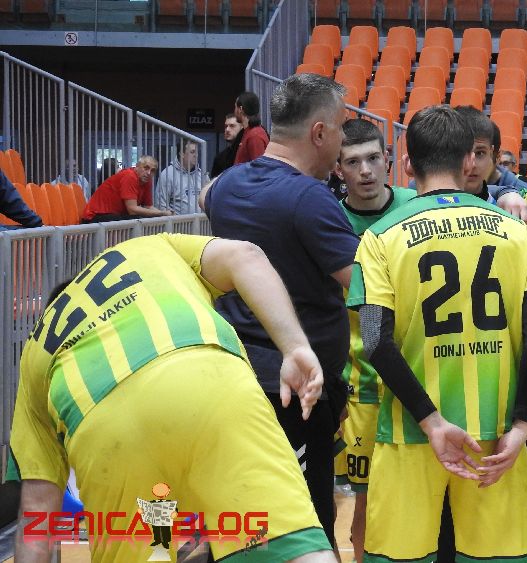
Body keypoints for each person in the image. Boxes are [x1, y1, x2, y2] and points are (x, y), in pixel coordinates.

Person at [8, 233, 335, 563]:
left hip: (104, 430)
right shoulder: (144, 248)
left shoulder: (34, 353)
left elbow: (37, 516)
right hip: (205, 379)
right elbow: (246, 255)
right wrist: (295, 347)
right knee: (296, 550)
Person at [347, 104, 527, 562]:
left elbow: (376, 340)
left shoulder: (379, 237)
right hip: (495, 440)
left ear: (406, 165)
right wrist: (523, 423)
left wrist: (432, 422)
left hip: (411, 432)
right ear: (467, 160)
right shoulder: (516, 232)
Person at [204, 73, 355, 554]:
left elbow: (206, 196)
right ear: (319, 133)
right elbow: (365, 285)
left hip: (234, 379)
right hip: (294, 394)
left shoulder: (225, 186)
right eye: (340, 128)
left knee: (243, 524)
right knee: (305, 529)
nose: (343, 139)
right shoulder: (310, 198)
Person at [335, 118, 418, 560]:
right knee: (363, 503)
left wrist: (509, 193)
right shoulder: (329, 219)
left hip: (416, 381)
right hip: (359, 387)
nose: (365, 170)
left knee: (413, 499)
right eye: (353, 162)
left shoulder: (414, 205)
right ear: (338, 169)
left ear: (388, 160)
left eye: (372, 158)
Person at [81, 156, 172, 222]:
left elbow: (148, 207)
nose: (148, 173)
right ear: (137, 166)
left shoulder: (146, 180)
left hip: (113, 215)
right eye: (146, 168)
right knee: (138, 219)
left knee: (142, 219)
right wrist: (161, 214)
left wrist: (166, 215)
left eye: (152, 170)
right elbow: (132, 210)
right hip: (93, 217)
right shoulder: (130, 176)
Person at [156, 140, 209, 215]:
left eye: (197, 152)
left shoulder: (203, 175)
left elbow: (209, 200)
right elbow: (161, 205)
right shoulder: (168, 174)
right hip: (178, 222)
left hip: (201, 221)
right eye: (192, 152)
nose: (196, 155)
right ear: (182, 154)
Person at [234, 91, 269, 165]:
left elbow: (259, 168)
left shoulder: (255, 136)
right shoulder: (249, 132)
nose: (234, 111)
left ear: (240, 109)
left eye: (235, 107)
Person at [211, 113, 244, 178]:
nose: (227, 129)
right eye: (226, 126)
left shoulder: (246, 151)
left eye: (232, 126)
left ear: (242, 127)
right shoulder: (220, 158)